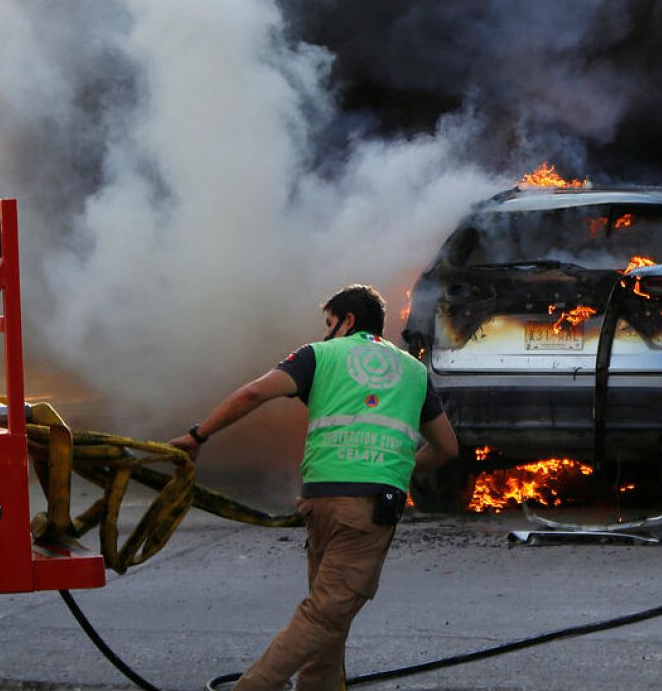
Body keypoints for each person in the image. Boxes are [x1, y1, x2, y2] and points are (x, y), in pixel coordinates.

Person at [169, 284, 459, 691]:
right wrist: (398, 466)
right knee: (326, 614)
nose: (325, 332)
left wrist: (198, 436)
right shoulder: (412, 370)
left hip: (320, 502)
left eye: (329, 323)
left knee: (329, 612)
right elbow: (447, 447)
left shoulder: (316, 355)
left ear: (348, 320)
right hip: (370, 508)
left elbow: (253, 393)